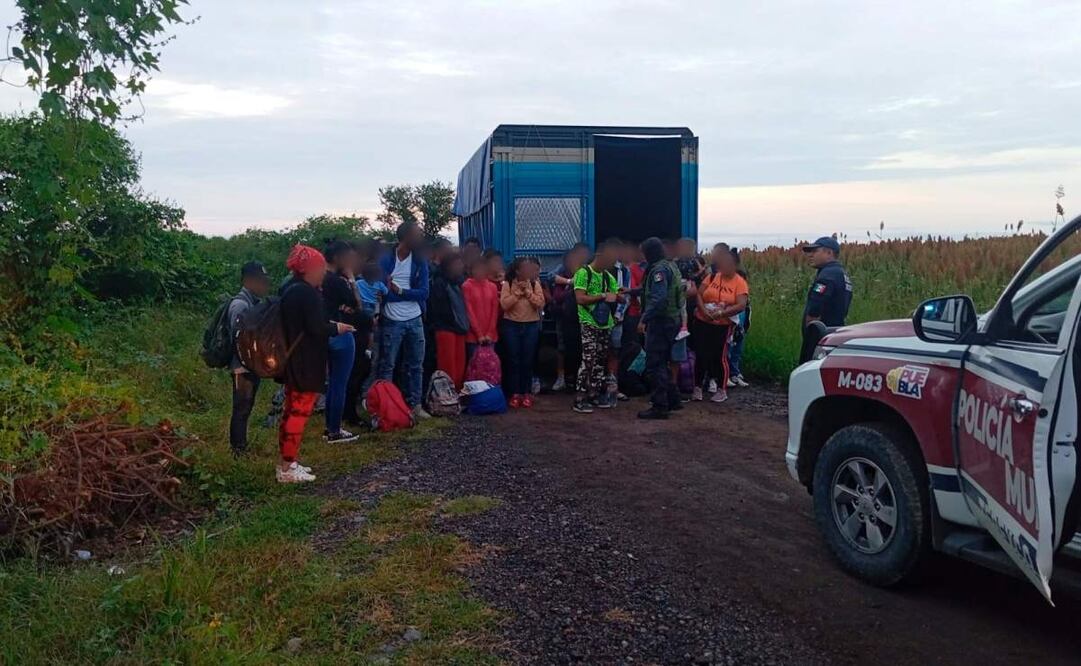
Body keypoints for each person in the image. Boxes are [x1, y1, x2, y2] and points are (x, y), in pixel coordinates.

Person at [278, 244, 355, 483]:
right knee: (298, 412)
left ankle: (288, 462)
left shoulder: (289, 288)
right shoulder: (306, 293)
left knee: (291, 411)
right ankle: (287, 468)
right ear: (308, 269)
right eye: (319, 268)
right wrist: (337, 328)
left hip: (293, 359)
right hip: (305, 361)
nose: (323, 272)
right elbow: (316, 327)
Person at [377, 221, 431, 420]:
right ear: (406, 237)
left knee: (416, 364)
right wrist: (400, 294)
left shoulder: (419, 260)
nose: (420, 238)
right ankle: (386, 406)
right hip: (392, 318)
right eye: (417, 234)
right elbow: (381, 291)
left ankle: (415, 404)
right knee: (388, 365)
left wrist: (399, 291)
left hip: (415, 318)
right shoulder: (385, 260)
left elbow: (424, 293)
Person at [692, 245, 749, 404]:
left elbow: (741, 305)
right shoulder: (712, 277)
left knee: (719, 356)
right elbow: (699, 294)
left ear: (735, 265)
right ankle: (697, 387)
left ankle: (721, 389)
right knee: (701, 354)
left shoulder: (740, 283)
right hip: (703, 321)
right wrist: (704, 311)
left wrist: (722, 313)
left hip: (722, 325)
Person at [637, 237, 685, 420]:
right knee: (664, 361)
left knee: (655, 364)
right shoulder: (670, 266)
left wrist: (644, 319)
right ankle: (673, 399)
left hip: (660, 322)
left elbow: (659, 298)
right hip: (673, 320)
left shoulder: (659, 270)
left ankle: (660, 406)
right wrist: (631, 291)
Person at [227, 261, 271, 457]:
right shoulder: (240, 305)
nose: (264, 285)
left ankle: (241, 447)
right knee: (241, 408)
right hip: (241, 367)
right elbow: (238, 339)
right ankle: (238, 451)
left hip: (251, 365)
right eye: (260, 281)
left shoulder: (253, 302)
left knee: (246, 406)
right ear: (248, 281)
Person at [572, 241, 621, 414]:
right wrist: (602, 295)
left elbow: (615, 295)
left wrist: (619, 297)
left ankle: (594, 393)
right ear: (600, 255)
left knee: (600, 359)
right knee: (588, 359)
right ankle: (580, 397)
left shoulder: (608, 277)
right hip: (588, 321)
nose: (612, 262)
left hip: (605, 323)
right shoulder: (583, 273)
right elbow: (580, 298)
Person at [321, 241, 361, 443]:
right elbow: (357, 304)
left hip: (322, 332)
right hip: (340, 333)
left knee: (331, 383)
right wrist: (351, 279)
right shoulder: (337, 281)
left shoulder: (318, 279)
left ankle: (329, 427)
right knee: (339, 383)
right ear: (338, 258)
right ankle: (334, 430)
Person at [500, 256, 546, 408]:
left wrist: (527, 292)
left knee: (527, 360)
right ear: (518, 270)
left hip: (531, 325)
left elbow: (540, 303)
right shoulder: (508, 284)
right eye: (525, 268)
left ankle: (526, 392)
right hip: (511, 325)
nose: (528, 270)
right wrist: (517, 293)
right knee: (513, 360)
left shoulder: (535, 284)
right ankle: (514, 393)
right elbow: (504, 305)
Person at [800, 236, 853, 362]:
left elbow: (815, 308)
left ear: (829, 253)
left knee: (810, 370)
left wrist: (811, 336)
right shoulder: (841, 274)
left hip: (821, 337)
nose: (810, 255)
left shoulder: (827, 276)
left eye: (815, 251)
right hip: (835, 335)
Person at [428, 250, 470, 388]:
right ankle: (447, 394)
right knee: (448, 366)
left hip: (460, 328)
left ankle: (457, 392)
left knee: (460, 365)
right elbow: (440, 309)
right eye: (457, 263)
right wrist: (455, 322)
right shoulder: (440, 283)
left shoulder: (460, 282)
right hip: (445, 328)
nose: (460, 266)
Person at [550, 246, 588, 392]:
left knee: (582, 348)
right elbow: (557, 294)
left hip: (582, 317)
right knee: (562, 348)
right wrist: (570, 284)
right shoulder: (562, 273)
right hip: (564, 317)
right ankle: (562, 378)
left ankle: (581, 379)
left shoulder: (587, 273)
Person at [462, 255, 500, 359]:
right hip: (473, 337)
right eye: (477, 269)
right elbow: (469, 311)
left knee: (490, 365)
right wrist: (479, 334)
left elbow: (495, 311)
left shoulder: (492, 286)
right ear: (471, 270)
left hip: (491, 336)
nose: (480, 271)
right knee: (475, 365)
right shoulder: (466, 286)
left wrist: (490, 333)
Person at [727, 248, 751, 388]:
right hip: (732, 320)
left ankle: (735, 373)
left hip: (741, 323)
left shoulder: (741, 275)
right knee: (728, 349)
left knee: (737, 349)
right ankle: (726, 375)